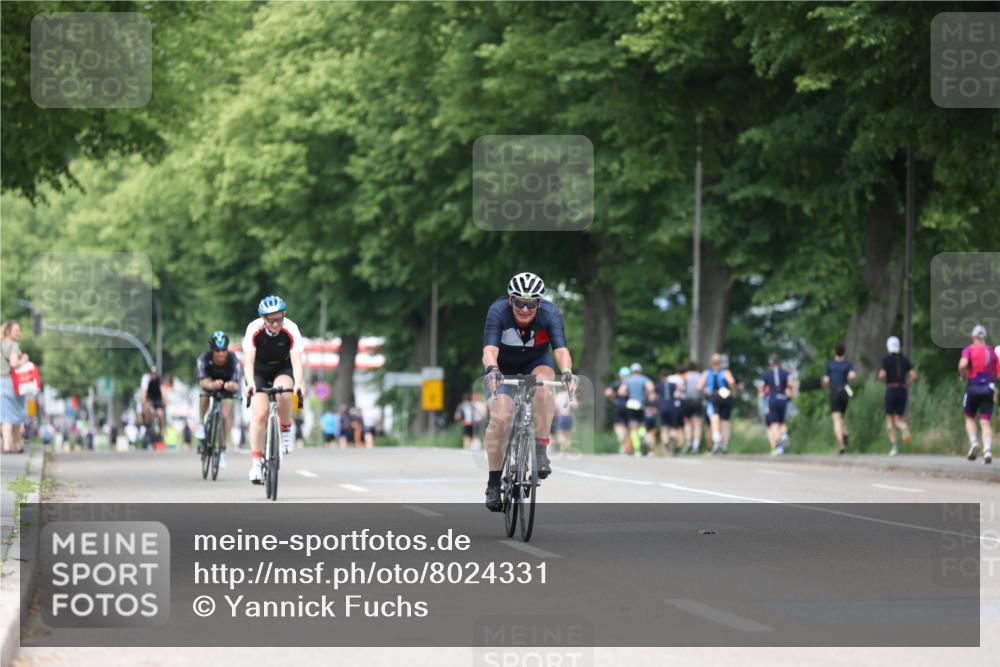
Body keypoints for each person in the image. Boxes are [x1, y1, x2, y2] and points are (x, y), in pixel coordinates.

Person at [482, 272, 575, 512]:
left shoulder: (549, 313)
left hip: (537, 362)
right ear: (510, 299)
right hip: (504, 366)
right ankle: (493, 483)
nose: (524, 309)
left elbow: (561, 349)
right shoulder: (498, 311)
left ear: (539, 303)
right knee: (500, 418)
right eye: (519, 302)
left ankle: (541, 449)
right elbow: (489, 350)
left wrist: (566, 372)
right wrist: (492, 369)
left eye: (531, 303)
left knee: (545, 386)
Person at [242, 295, 305, 485]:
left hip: (282, 368)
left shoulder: (291, 329)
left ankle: (285, 428)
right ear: (263, 319)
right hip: (259, 370)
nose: (277, 324)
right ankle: (255, 465)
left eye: (280, 318)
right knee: (259, 414)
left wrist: (299, 384)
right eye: (272, 320)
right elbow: (248, 363)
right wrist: (251, 383)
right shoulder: (254, 329)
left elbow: (297, 363)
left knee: (285, 393)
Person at [196, 331, 242, 469]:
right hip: (210, 384)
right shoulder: (203, 359)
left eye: (224, 350)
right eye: (217, 350)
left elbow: (236, 384)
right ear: (212, 350)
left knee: (225, 415)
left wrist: (230, 385)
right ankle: (201, 425)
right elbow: (203, 382)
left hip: (227, 387)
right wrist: (211, 385)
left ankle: (222, 450)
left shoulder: (234, 359)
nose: (221, 353)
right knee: (204, 394)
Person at [960, 325, 997, 464]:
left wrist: (963, 375)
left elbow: (963, 365)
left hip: (973, 388)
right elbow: (996, 373)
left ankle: (974, 443)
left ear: (974, 337)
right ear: (985, 337)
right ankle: (987, 450)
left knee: (969, 417)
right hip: (988, 388)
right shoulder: (992, 352)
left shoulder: (969, 350)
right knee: (985, 421)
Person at [878, 336, 917, 456]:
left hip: (891, 389)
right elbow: (914, 375)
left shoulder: (886, 360)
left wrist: (882, 379)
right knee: (899, 419)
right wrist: (908, 383)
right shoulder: (904, 359)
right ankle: (904, 427)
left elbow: (882, 375)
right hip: (902, 390)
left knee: (889, 421)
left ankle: (894, 447)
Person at [822, 342, 856, 455]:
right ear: (844, 352)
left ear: (835, 352)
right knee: (841, 415)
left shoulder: (830, 364)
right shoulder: (848, 364)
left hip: (835, 391)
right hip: (845, 391)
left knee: (836, 418)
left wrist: (825, 385)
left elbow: (826, 380)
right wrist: (849, 378)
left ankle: (841, 442)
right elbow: (852, 376)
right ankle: (845, 431)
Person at [1, 321, 30, 453]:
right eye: (17, 330)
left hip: (1, 382)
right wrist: (24, 359)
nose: (20, 333)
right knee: (16, 415)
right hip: (12, 383)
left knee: (6, 416)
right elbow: (14, 364)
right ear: (9, 331)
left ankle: (7, 445)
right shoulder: (13, 345)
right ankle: (17, 445)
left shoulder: (1, 344)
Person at [699, 353, 737, 455]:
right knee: (725, 421)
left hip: (714, 396)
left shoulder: (707, 373)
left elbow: (700, 386)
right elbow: (732, 382)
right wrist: (732, 392)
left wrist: (706, 391)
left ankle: (716, 440)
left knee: (714, 417)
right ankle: (724, 444)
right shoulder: (725, 372)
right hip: (725, 395)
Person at [618, 362, 655, 457]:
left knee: (633, 429)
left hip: (631, 404)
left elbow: (621, 391)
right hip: (641, 404)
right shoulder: (644, 379)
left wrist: (628, 393)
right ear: (640, 370)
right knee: (642, 425)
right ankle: (642, 434)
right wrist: (645, 393)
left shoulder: (628, 380)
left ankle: (637, 450)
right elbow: (651, 388)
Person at [760, 354, 793, 455]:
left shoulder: (767, 374)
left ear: (771, 363)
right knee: (782, 422)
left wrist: (762, 395)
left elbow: (761, 388)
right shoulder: (785, 373)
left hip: (773, 399)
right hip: (783, 399)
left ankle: (778, 447)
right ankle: (783, 434)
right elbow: (791, 384)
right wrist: (790, 392)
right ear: (779, 362)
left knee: (774, 424)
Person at [656, 367, 684, 455]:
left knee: (664, 427)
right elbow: (680, 392)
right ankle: (673, 439)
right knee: (673, 427)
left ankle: (666, 444)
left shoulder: (658, 385)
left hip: (662, 406)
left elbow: (655, 396)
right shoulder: (673, 384)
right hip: (672, 405)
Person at [604, 366, 630, 453]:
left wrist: (613, 399)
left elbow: (607, 392)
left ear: (620, 375)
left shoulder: (616, 383)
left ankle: (621, 443)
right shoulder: (631, 383)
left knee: (618, 426)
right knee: (628, 427)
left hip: (618, 406)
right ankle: (627, 447)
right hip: (630, 407)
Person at [140, 367, 166, 446]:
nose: (153, 375)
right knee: (146, 408)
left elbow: (163, 390)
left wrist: (164, 399)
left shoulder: (160, 379)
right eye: (152, 374)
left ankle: (161, 433)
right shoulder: (146, 379)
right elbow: (144, 391)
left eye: (155, 374)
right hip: (149, 400)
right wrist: (144, 401)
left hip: (158, 401)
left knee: (160, 414)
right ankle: (147, 426)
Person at [681, 362, 703, 454]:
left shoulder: (684, 376)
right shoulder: (700, 376)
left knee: (687, 423)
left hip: (686, 401)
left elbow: (681, 388)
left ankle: (689, 442)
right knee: (697, 425)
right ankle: (696, 445)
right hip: (697, 401)